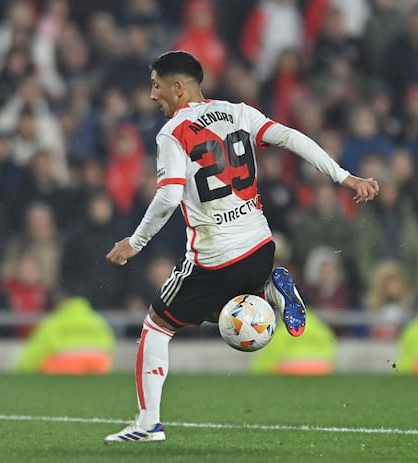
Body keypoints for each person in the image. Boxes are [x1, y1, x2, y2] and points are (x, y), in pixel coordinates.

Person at [103, 51, 379, 443]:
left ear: (178, 88)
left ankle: (148, 425)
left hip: (215, 257)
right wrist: (344, 176)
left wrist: (135, 242)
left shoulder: (173, 132)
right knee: (215, 310)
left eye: (156, 86)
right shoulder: (239, 112)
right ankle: (269, 287)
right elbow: (291, 137)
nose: (152, 95)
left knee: (156, 326)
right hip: (261, 247)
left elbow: (168, 198)